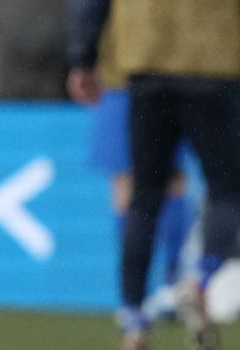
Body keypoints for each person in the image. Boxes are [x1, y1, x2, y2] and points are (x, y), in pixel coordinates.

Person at [66, 0, 240, 350]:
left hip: (145, 66)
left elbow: (93, 5)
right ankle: (201, 280)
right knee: (228, 192)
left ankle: (133, 317)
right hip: (214, 69)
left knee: (144, 195)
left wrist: (83, 57)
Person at [66, 21, 192, 328]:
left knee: (129, 188)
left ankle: (136, 300)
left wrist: (83, 60)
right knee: (171, 182)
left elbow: (90, 11)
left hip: (128, 76)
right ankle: (170, 285)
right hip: (182, 74)